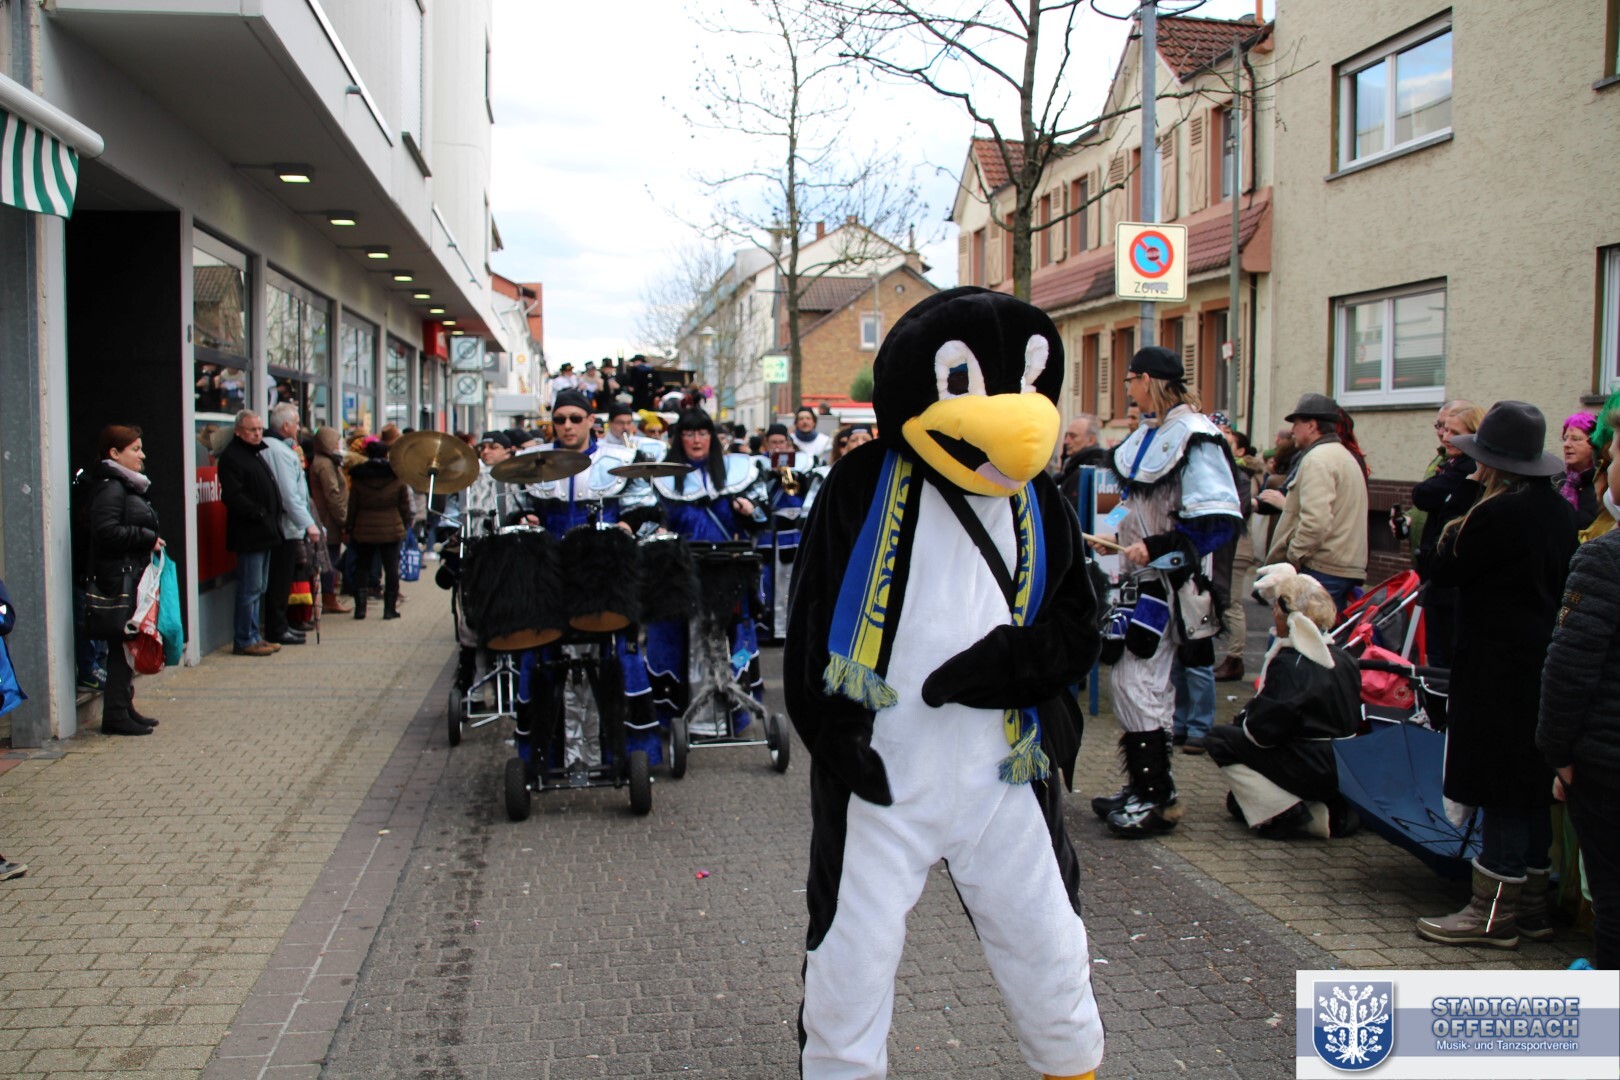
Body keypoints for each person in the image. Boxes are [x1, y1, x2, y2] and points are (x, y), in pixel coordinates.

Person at [1415, 401, 1577, 949]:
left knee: (1501, 786)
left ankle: (1492, 915)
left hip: (1496, 669)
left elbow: (1443, 568)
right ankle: (1531, 909)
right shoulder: (1558, 511)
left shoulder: (1496, 513)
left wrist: (1465, 498)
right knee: (1529, 787)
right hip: (1539, 665)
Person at [1097, 347, 1242, 837]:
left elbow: (1219, 520)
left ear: (1148, 380)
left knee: (1140, 682)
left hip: (1169, 587)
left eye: (1131, 380)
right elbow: (1129, 502)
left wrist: (1158, 547)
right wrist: (1106, 534)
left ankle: (1157, 796)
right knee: (1132, 681)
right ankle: (1146, 787)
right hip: (1136, 583)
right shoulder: (1147, 434)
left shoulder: (1196, 436)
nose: (1128, 390)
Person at [1538, 409, 1620, 970]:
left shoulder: (1604, 559)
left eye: (1613, 457)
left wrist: (1559, 753)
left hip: (1608, 766)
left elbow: (1568, 669)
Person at [1207, 564, 1362, 838]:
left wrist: (1244, 720)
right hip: (1344, 765)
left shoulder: (1292, 663)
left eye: (1276, 611)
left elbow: (1261, 733)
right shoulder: (1344, 657)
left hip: (1311, 764)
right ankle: (1325, 809)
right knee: (1236, 804)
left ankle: (1289, 813)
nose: (1273, 616)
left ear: (1291, 619)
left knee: (1219, 739)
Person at [644, 408, 767, 748]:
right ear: (679, 439)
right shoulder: (662, 478)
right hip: (678, 576)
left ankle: (734, 709)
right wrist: (657, 530)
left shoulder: (738, 472)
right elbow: (647, 522)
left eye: (702, 433)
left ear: (712, 437)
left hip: (727, 572)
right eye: (688, 433)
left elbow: (761, 515)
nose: (696, 440)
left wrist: (749, 511)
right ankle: (678, 715)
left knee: (734, 639)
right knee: (672, 641)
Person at [86, 425, 165, 735]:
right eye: (135, 449)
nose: (142, 455)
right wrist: (145, 537)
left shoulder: (125, 485)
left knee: (126, 646)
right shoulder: (111, 487)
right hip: (117, 579)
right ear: (114, 453)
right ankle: (116, 714)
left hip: (127, 574)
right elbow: (105, 532)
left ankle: (123, 707)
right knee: (122, 646)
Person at [1260, 393, 1368, 610]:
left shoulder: (1318, 459)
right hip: (1339, 566)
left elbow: (1315, 522)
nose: (1292, 430)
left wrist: (1294, 556)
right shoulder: (1342, 455)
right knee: (1323, 629)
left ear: (1311, 426)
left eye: (1296, 423)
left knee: (1299, 629)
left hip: (1322, 567)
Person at [1409, 402, 1482, 667]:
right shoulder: (1449, 462)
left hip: (1450, 579)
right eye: (1443, 429)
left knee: (1444, 654)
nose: (1445, 436)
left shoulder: (1467, 468)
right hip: (1435, 570)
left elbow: (1424, 494)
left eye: (1454, 432)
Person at [217, 411, 283, 657]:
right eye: (251, 430)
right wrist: (259, 513)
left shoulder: (254, 454)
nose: (257, 434)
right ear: (238, 431)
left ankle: (254, 635)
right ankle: (245, 638)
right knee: (250, 588)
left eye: (259, 429)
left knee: (259, 587)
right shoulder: (233, 457)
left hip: (263, 531)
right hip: (250, 533)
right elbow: (233, 495)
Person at [261, 404, 321, 646]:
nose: (298, 427)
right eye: (296, 423)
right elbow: (289, 495)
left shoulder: (281, 449)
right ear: (286, 426)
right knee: (280, 580)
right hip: (285, 528)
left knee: (283, 580)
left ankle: (281, 625)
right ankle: (277, 628)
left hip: (287, 526)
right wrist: (309, 524)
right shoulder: (279, 452)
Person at [345, 440, 413, 620]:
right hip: (391, 526)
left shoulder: (359, 477)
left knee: (362, 567)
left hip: (364, 527)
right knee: (391, 568)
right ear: (386, 455)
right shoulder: (396, 475)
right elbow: (404, 504)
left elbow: (353, 505)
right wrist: (406, 523)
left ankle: (360, 609)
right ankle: (389, 610)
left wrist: (349, 526)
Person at [306, 427, 351, 615]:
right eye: (335, 442)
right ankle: (328, 597)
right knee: (329, 559)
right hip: (328, 518)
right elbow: (332, 494)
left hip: (329, 517)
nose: (338, 445)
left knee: (331, 557)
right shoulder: (324, 465)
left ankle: (328, 595)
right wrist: (343, 519)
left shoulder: (327, 461)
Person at [1056, 413, 1109, 509]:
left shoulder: (1090, 471)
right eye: (1066, 435)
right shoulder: (1072, 466)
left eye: (1073, 436)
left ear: (1091, 440)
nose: (1066, 441)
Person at [1559, 411, 1600, 531]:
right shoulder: (1557, 482)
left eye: (1576, 439)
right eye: (1565, 438)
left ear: (1594, 444)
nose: (1566, 444)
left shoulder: (1604, 485)